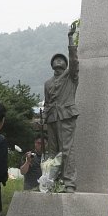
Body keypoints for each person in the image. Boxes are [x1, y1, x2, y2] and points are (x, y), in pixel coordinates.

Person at [44, 23, 79, 192]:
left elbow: (74, 61)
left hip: (66, 116)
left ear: (65, 64)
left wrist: (70, 38)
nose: (58, 61)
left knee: (67, 150)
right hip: (51, 118)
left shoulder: (71, 77)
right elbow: (47, 102)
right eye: (55, 60)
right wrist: (44, 120)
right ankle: (51, 182)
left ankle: (69, 183)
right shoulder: (48, 83)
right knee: (52, 152)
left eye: (61, 59)